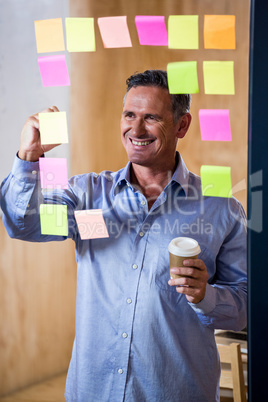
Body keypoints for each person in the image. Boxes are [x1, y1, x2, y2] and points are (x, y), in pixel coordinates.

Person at [0, 70, 247, 401]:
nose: (136, 128)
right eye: (129, 115)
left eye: (151, 118)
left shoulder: (220, 209)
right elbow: (24, 224)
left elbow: (247, 306)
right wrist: (29, 157)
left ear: (181, 125)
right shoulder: (87, 195)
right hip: (93, 391)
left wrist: (206, 296)